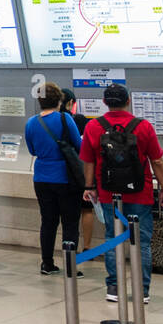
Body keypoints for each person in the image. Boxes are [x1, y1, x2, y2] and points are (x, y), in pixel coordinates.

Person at [80, 84, 163, 303]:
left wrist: (89, 187)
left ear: (105, 102)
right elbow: (157, 160)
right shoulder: (143, 126)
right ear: (128, 100)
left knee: (113, 238)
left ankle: (113, 288)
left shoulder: (94, 126)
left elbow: (89, 160)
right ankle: (143, 290)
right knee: (142, 242)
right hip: (140, 193)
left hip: (108, 193)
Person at [25, 82, 85, 276]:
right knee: (70, 222)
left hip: (41, 177)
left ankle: (47, 263)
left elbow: (32, 150)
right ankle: (70, 264)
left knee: (48, 221)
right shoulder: (65, 119)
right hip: (65, 176)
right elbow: (78, 145)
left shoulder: (31, 123)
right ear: (59, 100)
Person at [60, 88, 96, 250]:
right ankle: (87, 246)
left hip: (59, 174)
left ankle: (66, 248)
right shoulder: (80, 120)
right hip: (80, 171)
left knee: (65, 215)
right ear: (70, 103)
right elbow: (85, 146)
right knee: (87, 210)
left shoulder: (48, 119)